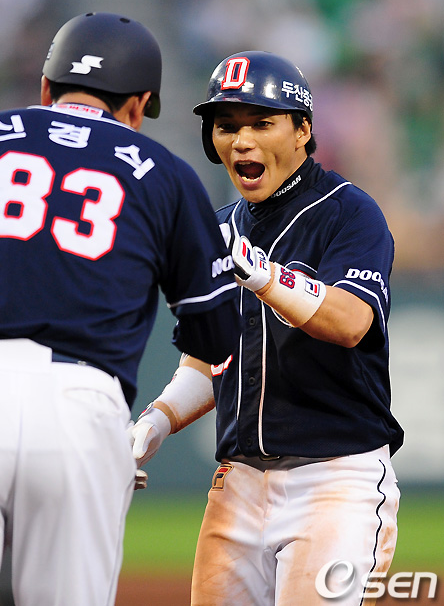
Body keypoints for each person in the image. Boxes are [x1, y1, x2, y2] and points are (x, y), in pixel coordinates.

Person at [0, 12, 241, 606]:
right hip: (81, 407)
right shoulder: (165, 173)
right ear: (139, 105)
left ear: (46, 88)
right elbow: (216, 335)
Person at [129, 51, 404, 605]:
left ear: (303, 130)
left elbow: (352, 321)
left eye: (261, 122)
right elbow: (208, 361)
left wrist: (263, 274)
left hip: (335, 480)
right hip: (237, 484)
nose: (241, 140)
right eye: (227, 126)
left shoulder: (349, 212)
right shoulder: (218, 228)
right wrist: (154, 423)